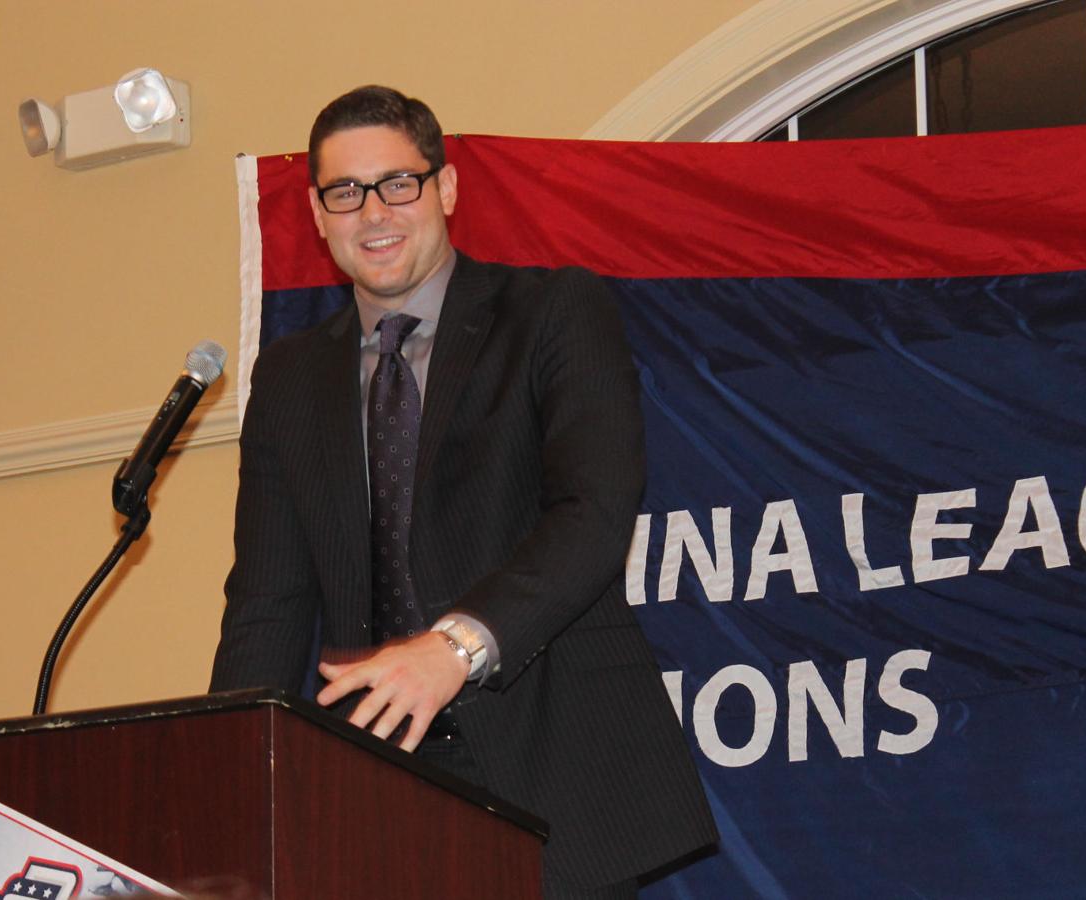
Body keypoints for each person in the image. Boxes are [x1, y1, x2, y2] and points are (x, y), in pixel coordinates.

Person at [211, 85, 717, 899]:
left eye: (396, 184)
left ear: (444, 189)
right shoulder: (290, 378)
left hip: (552, 760)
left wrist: (453, 651)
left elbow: (593, 513)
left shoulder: (552, 310)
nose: (372, 212)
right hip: (370, 786)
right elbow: (267, 601)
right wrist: (225, 787)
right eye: (345, 193)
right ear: (316, 213)